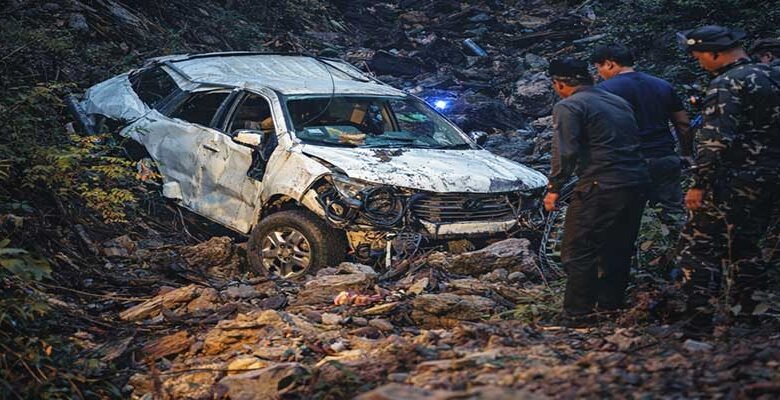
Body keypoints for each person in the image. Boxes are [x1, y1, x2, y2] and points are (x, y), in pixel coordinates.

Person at [676, 25, 780, 335]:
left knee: (697, 248)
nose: (700, 64)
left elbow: (715, 140)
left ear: (714, 53)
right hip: (769, 176)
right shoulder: (771, 75)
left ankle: (698, 323)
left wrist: (699, 183)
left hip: (734, 178)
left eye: (699, 58)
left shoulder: (728, 83)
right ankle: (751, 317)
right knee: (745, 247)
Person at [543, 58, 650, 326]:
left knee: (578, 248)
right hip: (635, 181)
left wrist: (554, 188)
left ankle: (578, 314)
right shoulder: (616, 101)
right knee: (618, 245)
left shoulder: (569, 105)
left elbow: (565, 152)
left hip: (601, 184)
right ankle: (610, 307)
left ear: (559, 84)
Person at [590, 45, 692, 233]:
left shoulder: (604, 91)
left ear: (610, 64)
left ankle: (637, 257)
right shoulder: (662, 85)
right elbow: (683, 124)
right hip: (664, 157)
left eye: (599, 68)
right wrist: (686, 153)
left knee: (625, 219)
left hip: (627, 164)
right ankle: (680, 254)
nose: (599, 74)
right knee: (673, 213)